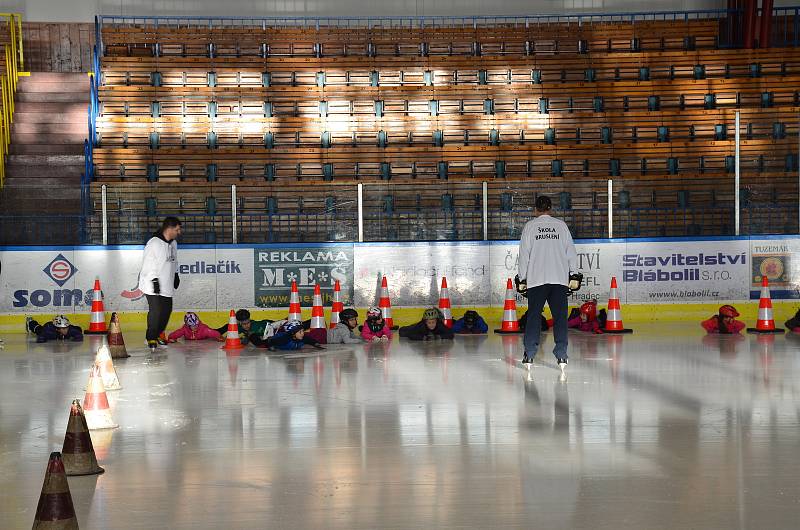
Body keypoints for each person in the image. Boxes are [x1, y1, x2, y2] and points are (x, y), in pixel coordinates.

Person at [517, 195, 578, 377]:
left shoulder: (530, 227)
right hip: (559, 279)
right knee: (560, 318)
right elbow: (571, 253)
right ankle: (562, 355)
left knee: (534, 317)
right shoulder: (561, 226)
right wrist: (574, 274)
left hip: (536, 280)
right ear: (550, 209)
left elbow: (524, 256)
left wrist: (522, 278)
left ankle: (529, 354)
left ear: (535, 209)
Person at [139, 217, 181, 352]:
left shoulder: (173, 244)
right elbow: (148, 264)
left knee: (166, 311)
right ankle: (150, 337)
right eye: (177, 229)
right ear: (169, 229)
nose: (179, 232)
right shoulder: (154, 243)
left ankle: (157, 335)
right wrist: (154, 280)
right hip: (152, 284)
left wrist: (175, 274)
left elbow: (174, 261)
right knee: (156, 311)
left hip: (166, 284)